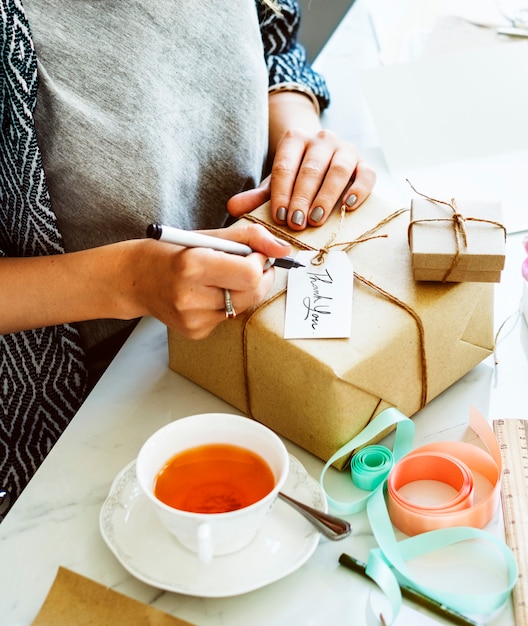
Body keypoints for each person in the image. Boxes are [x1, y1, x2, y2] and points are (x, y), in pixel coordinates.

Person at [0, 0, 376, 519]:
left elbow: (276, 40)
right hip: (92, 407)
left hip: (253, 332)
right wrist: (129, 280)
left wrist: (299, 132)